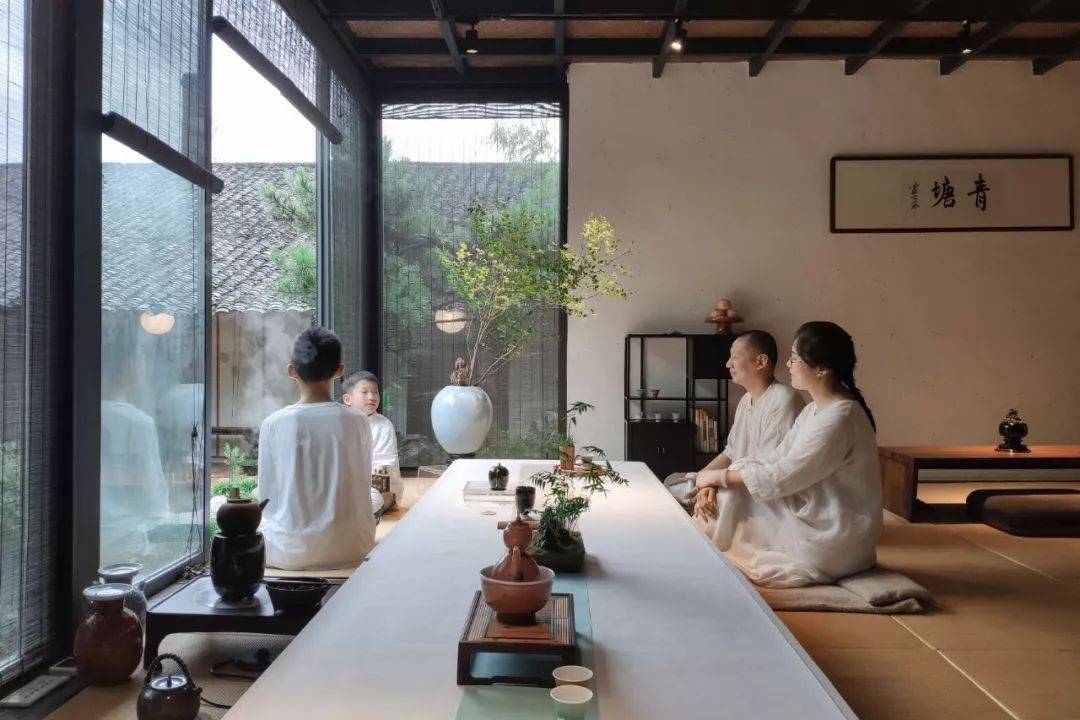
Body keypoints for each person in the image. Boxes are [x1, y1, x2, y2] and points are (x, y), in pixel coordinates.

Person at [689, 321, 882, 588]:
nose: (788, 365)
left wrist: (717, 478)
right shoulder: (814, 410)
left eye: (794, 358)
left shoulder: (839, 417)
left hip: (832, 532)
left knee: (728, 498)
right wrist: (713, 478)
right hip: (810, 506)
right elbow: (774, 458)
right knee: (724, 495)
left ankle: (708, 545)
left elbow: (783, 476)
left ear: (821, 369)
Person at [257, 327, 376, 570]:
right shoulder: (358, 421)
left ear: (292, 371)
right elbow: (363, 483)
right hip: (353, 547)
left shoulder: (273, 424)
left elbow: (267, 499)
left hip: (289, 553)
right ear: (340, 371)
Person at [665, 330, 803, 507]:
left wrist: (713, 482)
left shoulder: (783, 400)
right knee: (672, 481)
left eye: (735, 357)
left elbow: (765, 469)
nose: (728, 363)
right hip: (732, 481)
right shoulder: (746, 399)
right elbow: (730, 453)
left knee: (678, 498)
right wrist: (700, 477)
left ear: (760, 362)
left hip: (758, 496)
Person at [342, 371, 404, 512]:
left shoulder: (384, 425)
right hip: (349, 486)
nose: (372, 397)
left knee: (373, 501)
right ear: (347, 399)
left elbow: (383, 467)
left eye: (375, 392)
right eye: (364, 392)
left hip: (377, 486)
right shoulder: (341, 424)